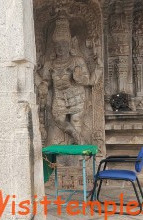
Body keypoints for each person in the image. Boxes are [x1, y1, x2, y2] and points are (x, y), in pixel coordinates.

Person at [40, 16, 94, 144]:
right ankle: (75, 135)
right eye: (57, 44)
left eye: (64, 44)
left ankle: (79, 153)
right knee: (58, 119)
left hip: (76, 95)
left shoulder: (77, 61)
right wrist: (43, 85)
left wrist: (79, 78)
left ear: (70, 45)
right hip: (59, 97)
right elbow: (46, 80)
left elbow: (87, 80)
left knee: (76, 121)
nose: (60, 47)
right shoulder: (49, 64)